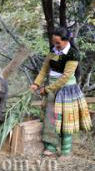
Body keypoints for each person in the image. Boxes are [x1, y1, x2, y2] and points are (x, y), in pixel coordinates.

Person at [30, 27, 92, 160]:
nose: (55, 45)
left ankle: (65, 151)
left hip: (66, 89)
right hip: (52, 88)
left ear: (66, 40)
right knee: (51, 118)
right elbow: (45, 69)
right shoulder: (53, 50)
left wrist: (47, 89)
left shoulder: (73, 54)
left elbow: (65, 76)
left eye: (58, 43)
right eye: (54, 42)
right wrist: (36, 83)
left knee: (65, 120)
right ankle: (51, 147)